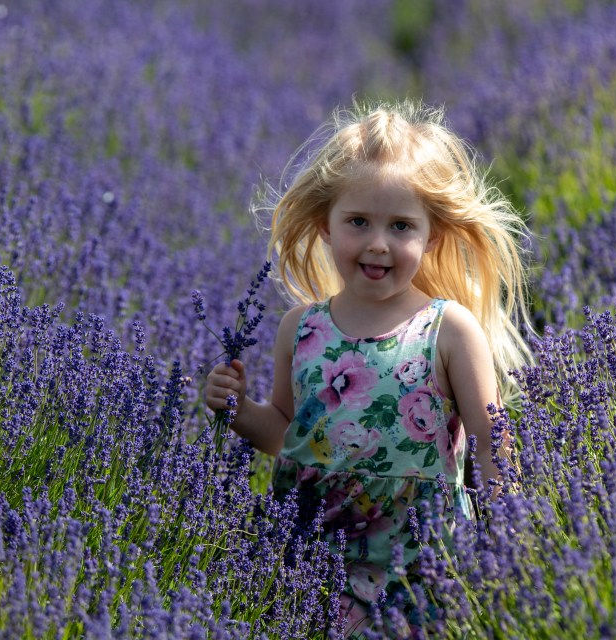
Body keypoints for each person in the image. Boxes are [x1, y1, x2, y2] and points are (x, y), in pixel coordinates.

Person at [204, 100, 532, 635]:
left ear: (434, 237)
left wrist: (506, 536)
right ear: (325, 227)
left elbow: (493, 440)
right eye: (358, 221)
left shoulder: (448, 330)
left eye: (401, 226)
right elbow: (290, 434)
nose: (378, 243)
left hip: (421, 564)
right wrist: (237, 410)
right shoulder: (302, 329)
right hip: (315, 552)